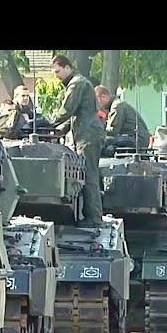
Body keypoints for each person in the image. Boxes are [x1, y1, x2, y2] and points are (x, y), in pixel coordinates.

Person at [48, 55, 104, 226]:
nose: (56, 75)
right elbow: (74, 115)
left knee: (89, 175)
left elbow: (67, 109)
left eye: (58, 71)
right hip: (87, 133)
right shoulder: (79, 82)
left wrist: (46, 122)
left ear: (66, 67)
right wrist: (57, 130)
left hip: (88, 136)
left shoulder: (77, 84)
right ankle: (92, 215)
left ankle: (94, 218)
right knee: (89, 173)